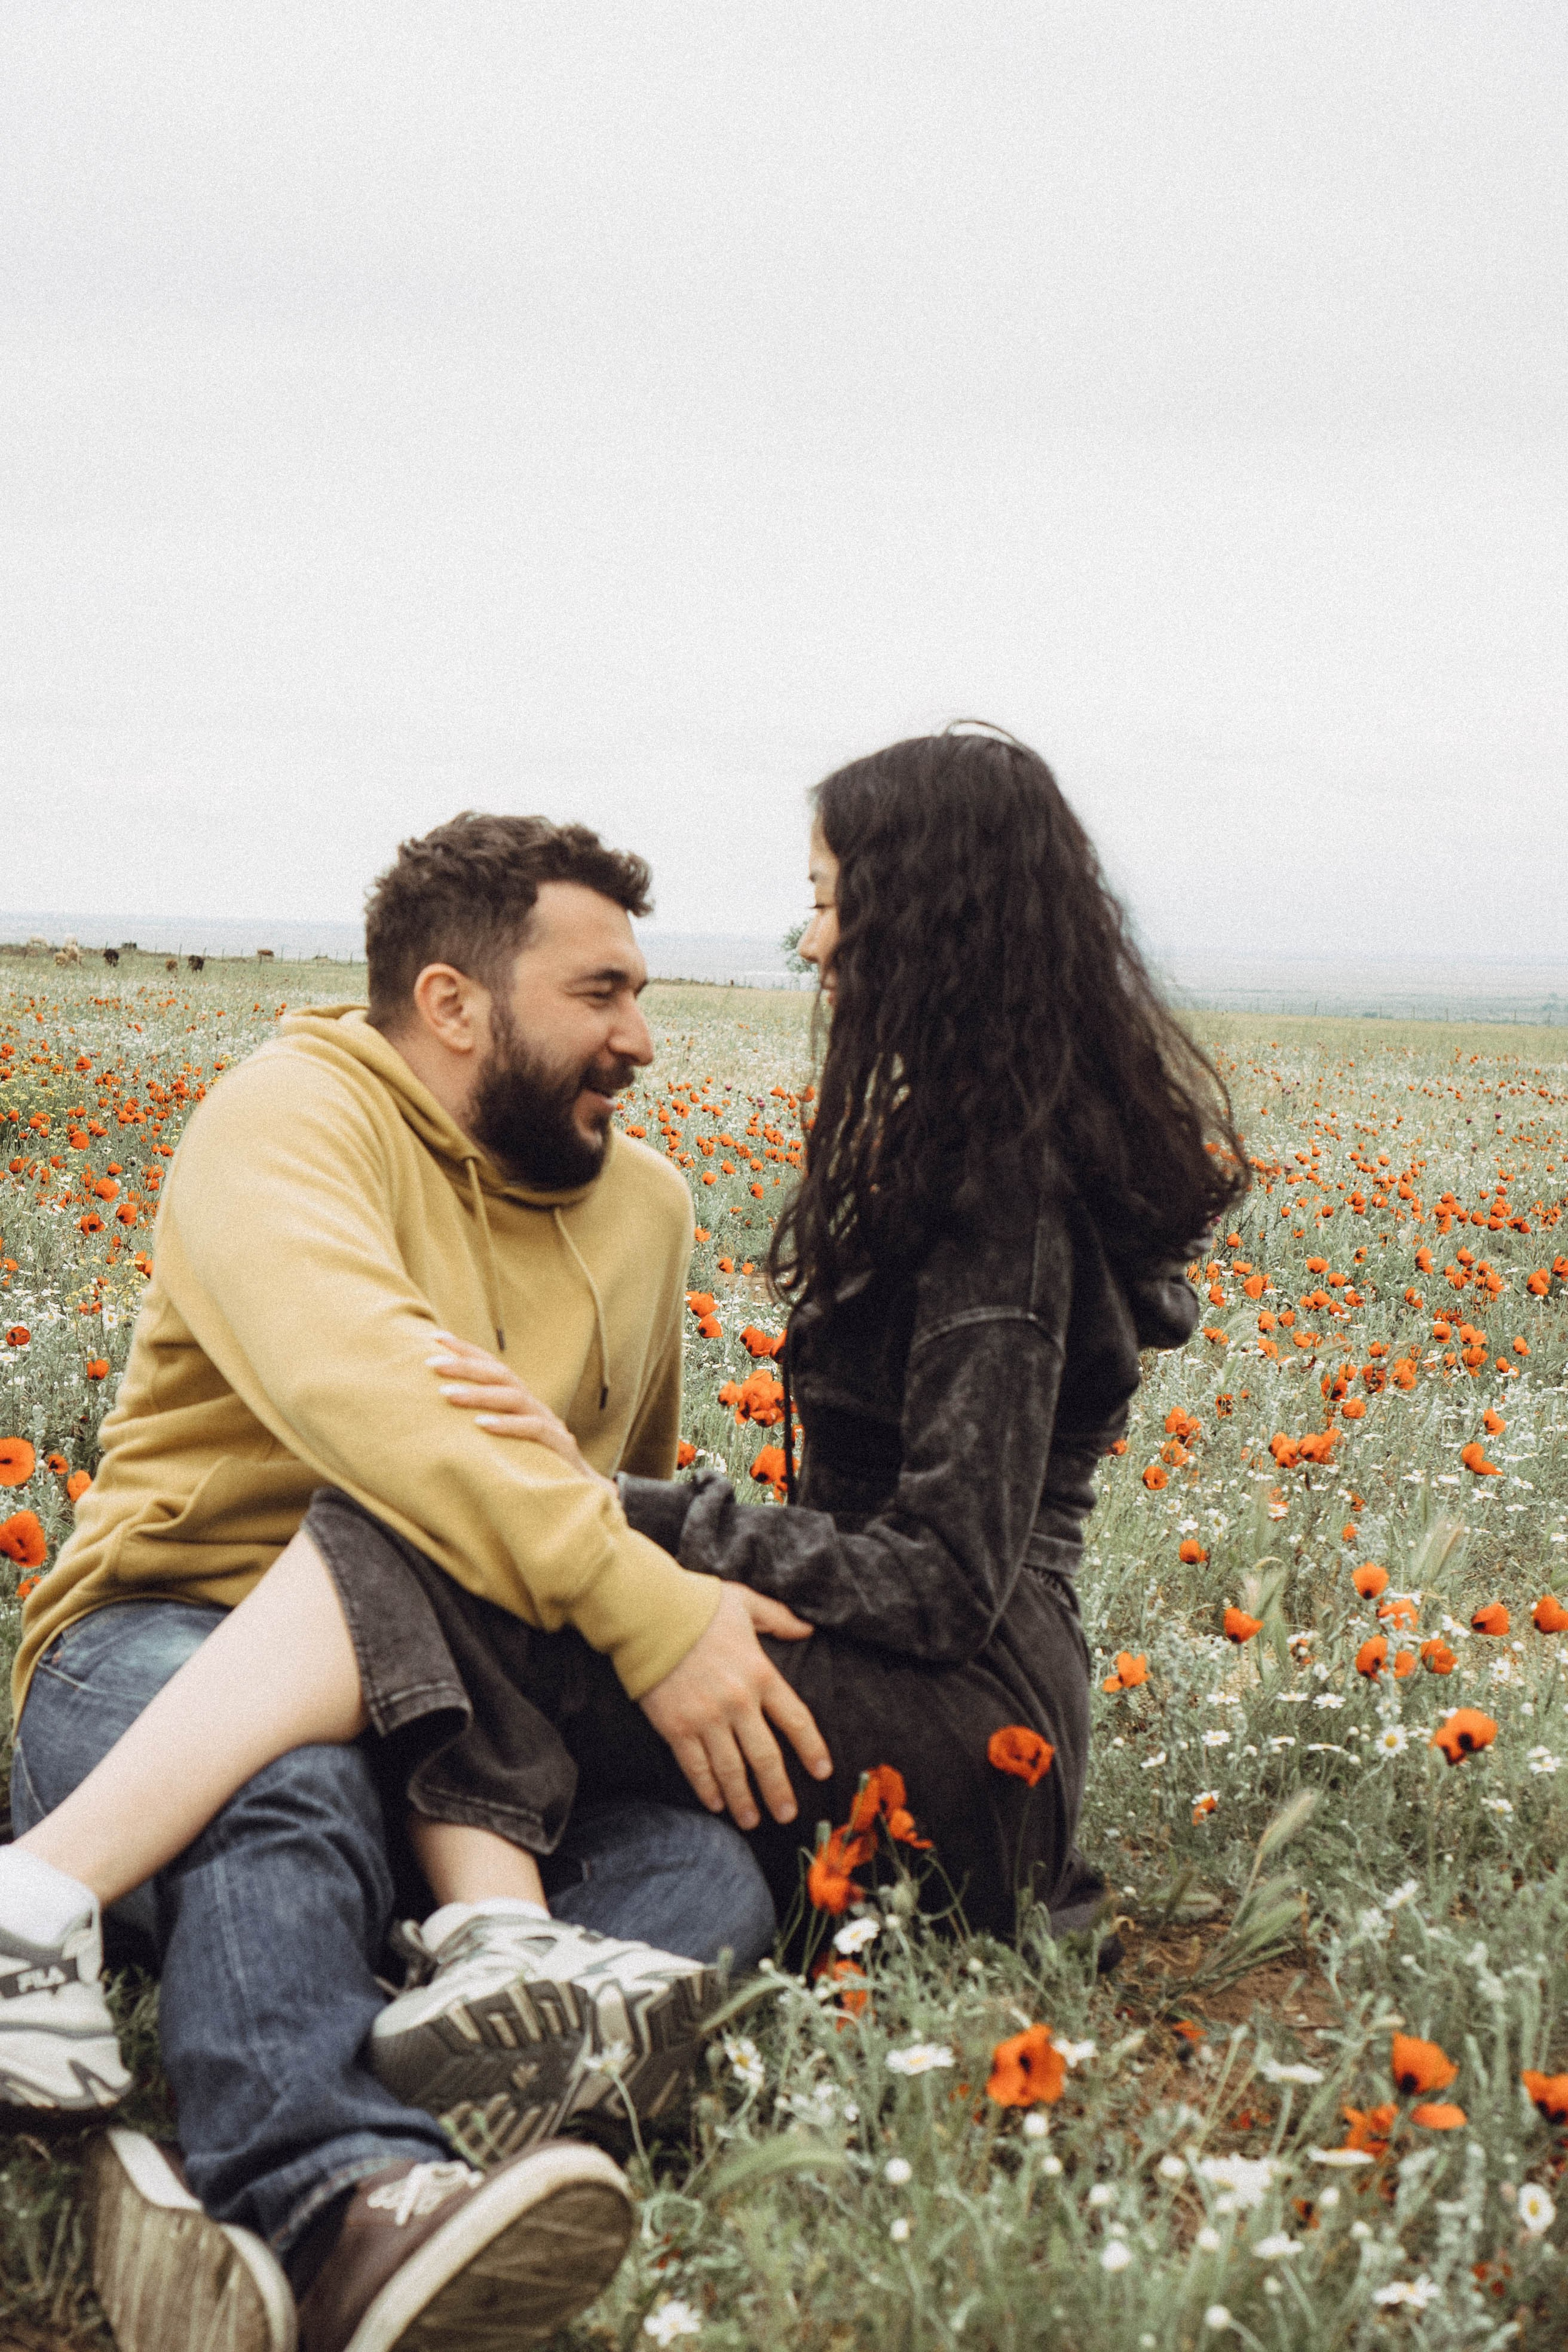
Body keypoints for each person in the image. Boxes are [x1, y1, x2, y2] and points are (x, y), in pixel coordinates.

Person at [2, 812, 829, 2352]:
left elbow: (609, 1486)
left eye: (639, 994)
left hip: (465, 1708)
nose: (640, 1037)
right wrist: (653, 1615)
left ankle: (242, 2125)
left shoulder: (644, 1211)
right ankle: (335, 2208)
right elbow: (369, 1399)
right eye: (598, 994)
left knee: (701, 1884)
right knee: (292, 1782)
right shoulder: (289, 1115)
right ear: (454, 1003)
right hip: (179, 1645)